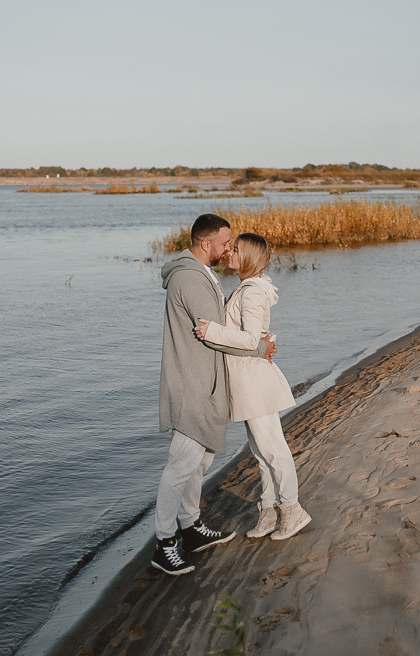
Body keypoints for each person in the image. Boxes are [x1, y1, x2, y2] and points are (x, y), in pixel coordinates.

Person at [152, 214, 277, 576]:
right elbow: (214, 333)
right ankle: (164, 543)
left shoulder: (200, 272)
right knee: (181, 464)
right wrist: (259, 349)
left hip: (205, 380)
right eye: (225, 243)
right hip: (192, 384)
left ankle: (190, 528)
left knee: (200, 461)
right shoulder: (189, 280)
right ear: (205, 244)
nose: (228, 249)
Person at [194, 233, 311, 541]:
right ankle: (269, 510)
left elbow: (249, 339)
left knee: (273, 449)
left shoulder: (252, 292)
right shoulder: (248, 288)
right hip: (245, 380)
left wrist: (210, 331)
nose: (230, 253)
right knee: (261, 451)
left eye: (236, 250)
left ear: (248, 257)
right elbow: (257, 336)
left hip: (254, 380)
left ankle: (292, 509)